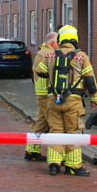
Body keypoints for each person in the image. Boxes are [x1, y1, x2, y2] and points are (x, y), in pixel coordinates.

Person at [36, 25, 97, 176]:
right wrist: (95, 98)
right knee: (74, 132)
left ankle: (54, 164)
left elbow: (40, 71)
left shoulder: (50, 55)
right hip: (73, 101)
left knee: (55, 131)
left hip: (53, 100)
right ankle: (73, 166)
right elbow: (90, 80)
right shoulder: (81, 56)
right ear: (75, 39)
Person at [25, 31, 58, 161]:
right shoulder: (48, 54)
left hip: (42, 92)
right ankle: (56, 155)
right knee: (53, 122)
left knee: (42, 122)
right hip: (45, 93)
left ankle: (32, 150)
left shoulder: (41, 52)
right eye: (59, 42)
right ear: (53, 43)